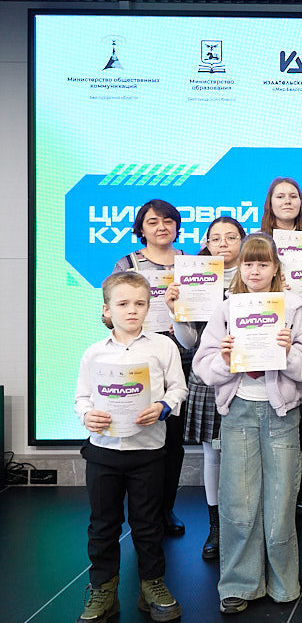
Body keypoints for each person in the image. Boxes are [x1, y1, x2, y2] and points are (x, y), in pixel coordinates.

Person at [193, 234, 302, 614]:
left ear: (276, 267)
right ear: (240, 267)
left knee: (281, 502)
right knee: (239, 503)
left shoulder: (295, 308)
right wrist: (224, 358)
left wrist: (288, 350)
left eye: (263, 263)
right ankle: (239, 584)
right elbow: (203, 366)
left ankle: (283, 583)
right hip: (239, 412)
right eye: (248, 263)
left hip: (282, 413)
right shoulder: (226, 309)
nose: (255, 270)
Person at [73, 271, 188, 623]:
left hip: (148, 451)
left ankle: (152, 585)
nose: (132, 310)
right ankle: (103, 591)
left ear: (148, 307)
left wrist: (163, 407)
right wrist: (86, 414)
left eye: (140, 303)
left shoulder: (163, 347)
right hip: (103, 452)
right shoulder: (93, 353)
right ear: (107, 309)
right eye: (123, 304)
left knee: (148, 523)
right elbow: (81, 397)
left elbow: (178, 389)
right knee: (103, 525)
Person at [165, 216, 244, 561]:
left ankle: (245, 526)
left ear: (243, 240)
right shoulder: (194, 278)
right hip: (209, 375)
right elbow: (189, 342)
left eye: (231, 237)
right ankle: (216, 528)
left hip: (251, 375)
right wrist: (176, 312)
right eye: (216, 238)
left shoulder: (256, 274)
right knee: (213, 453)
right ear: (207, 244)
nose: (223, 243)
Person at [112, 199, 188, 537]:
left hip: (181, 355)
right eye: (153, 221)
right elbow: (110, 314)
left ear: (177, 226)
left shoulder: (190, 262)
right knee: (138, 433)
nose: (162, 227)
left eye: (168, 221)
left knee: (172, 439)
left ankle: (165, 509)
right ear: (141, 228)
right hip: (138, 358)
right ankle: (140, 512)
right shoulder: (127, 264)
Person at [258, 177, 302, 518]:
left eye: (293, 196)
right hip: (267, 337)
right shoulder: (258, 241)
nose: (287, 201)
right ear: (270, 202)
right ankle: (272, 492)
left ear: (301, 202)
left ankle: (300, 490)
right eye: (279, 196)